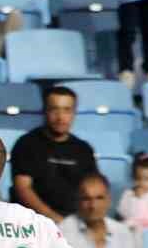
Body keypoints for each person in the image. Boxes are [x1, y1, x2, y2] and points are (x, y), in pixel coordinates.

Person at [11, 85, 100, 222]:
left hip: (76, 223)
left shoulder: (84, 149)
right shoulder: (26, 144)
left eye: (67, 110)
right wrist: (56, 220)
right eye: (54, 109)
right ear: (44, 111)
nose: (60, 117)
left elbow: (93, 189)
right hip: (34, 223)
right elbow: (23, 188)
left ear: (74, 113)